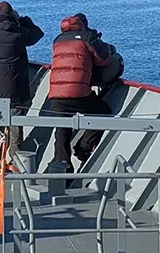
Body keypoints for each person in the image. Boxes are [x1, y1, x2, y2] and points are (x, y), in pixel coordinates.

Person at [0, 1, 44, 165]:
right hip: (15, 89)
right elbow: (38, 34)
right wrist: (24, 21)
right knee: (15, 125)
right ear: (11, 15)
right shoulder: (19, 33)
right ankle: (15, 159)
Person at [48, 14, 114, 171]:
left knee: (62, 129)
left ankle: (62, 167)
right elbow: (104, 58)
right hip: (77, 91)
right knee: (102, 111)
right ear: (83, 25)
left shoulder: (58, 40)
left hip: (56, 93)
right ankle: (83, 146)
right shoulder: (87, 37)